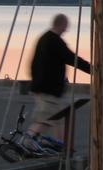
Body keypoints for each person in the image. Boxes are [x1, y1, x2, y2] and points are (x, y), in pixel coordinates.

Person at [24, 13, 91, 154]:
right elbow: (72, 58)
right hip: (48, 88)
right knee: (47, 117)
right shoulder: (54, 41)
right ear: (61, 25)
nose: (67, 29)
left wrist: (34, 82)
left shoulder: (43, 39)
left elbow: (33, 63)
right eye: (66, 26)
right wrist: (93, 69)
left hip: (41, 86)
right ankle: (28, 140)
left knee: (57, 117)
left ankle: (60, 145)